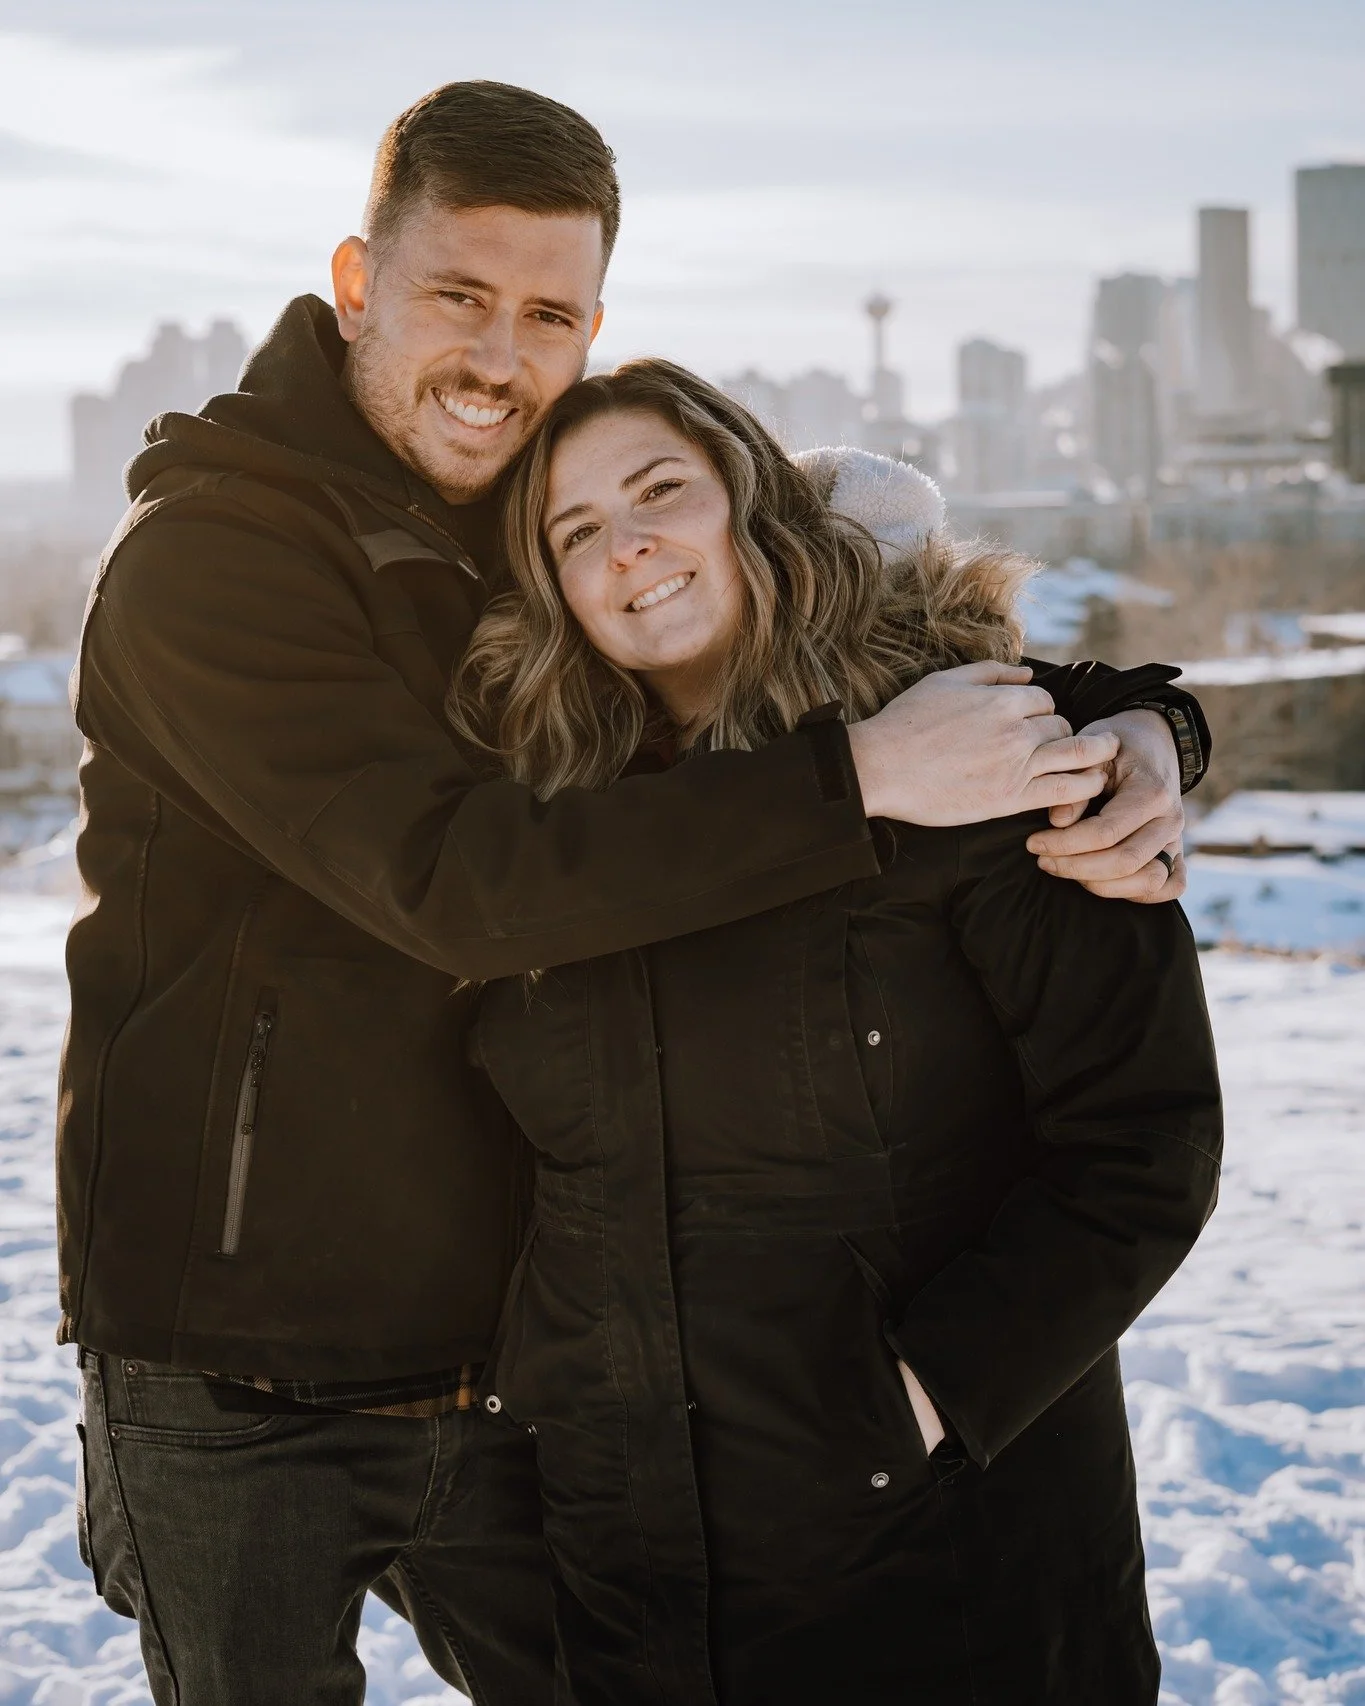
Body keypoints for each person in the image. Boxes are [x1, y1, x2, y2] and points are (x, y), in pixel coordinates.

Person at [64, 81, 1208, 1705]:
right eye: (457, 293)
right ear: (354, 280)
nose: (498, 355)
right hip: (241, 1358)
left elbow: (821, 610)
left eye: (550, 313)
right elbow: (459, 881)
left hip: (496, 1355)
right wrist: (862, 780)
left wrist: (1135, 718)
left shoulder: (520, 525)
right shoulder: (213, 562)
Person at [451, 360, 1223, 1705]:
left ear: (753, 506)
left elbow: (1142, 1141)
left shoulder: (981, 764)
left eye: (657, 492)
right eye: (576, 533)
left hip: (952, 1567)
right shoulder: (551, 839)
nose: (626, 545)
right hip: (636, 1580)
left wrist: (917, 1401)